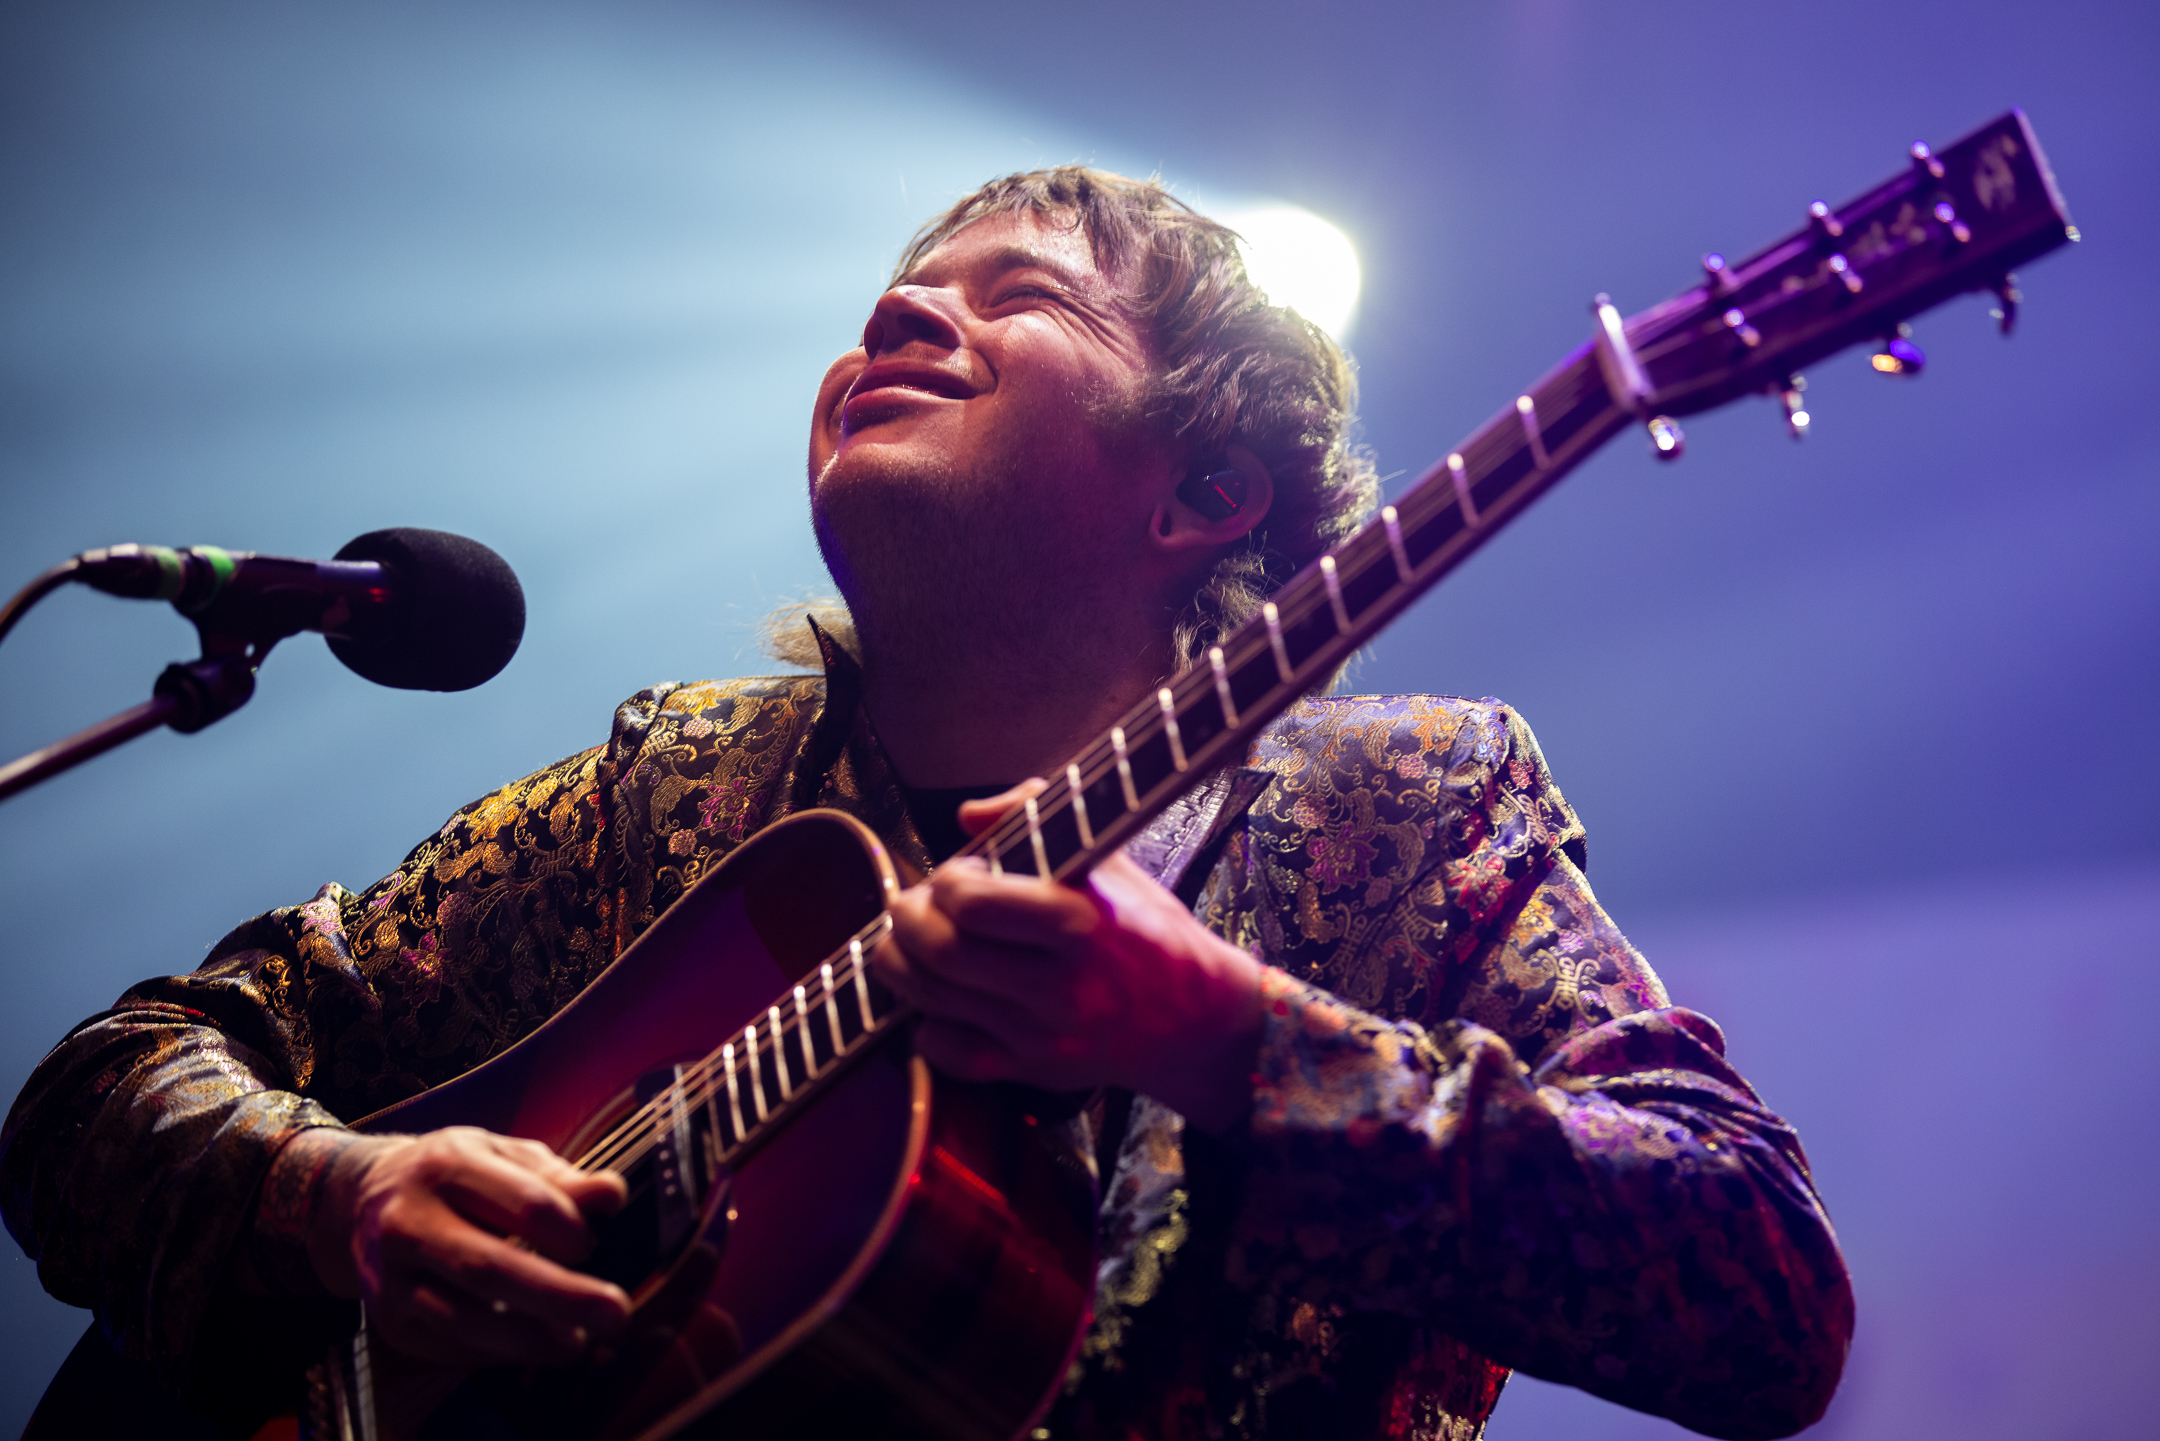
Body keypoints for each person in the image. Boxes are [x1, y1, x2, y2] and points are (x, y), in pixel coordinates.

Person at [1, 168, 1852, 1441]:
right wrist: (344, 1193)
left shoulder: (1405, 808)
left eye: (1017, 296)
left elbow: (1762, 1290)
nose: (892, 307)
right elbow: (103, 1084)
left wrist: (1230, 1036)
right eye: (896, 290)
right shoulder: (679, 792)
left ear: (1205, 492)